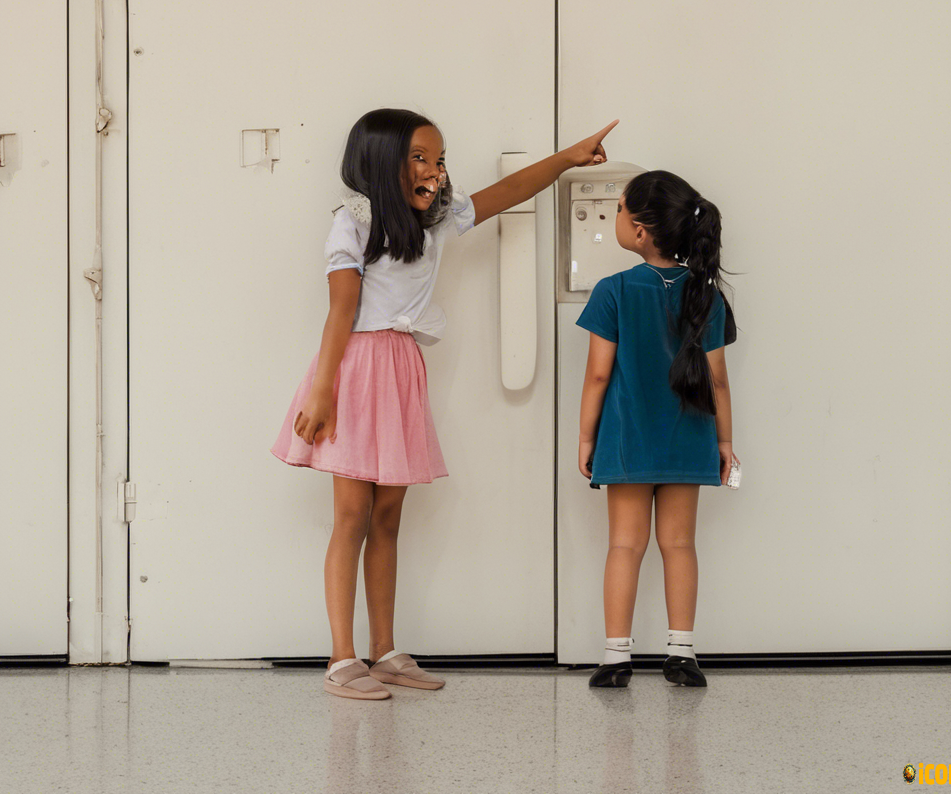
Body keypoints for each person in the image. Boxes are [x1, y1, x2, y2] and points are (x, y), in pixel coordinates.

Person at [271, 107, 618, 700]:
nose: (434, 170)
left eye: (438, 159)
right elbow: (341, 310)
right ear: (381, 160)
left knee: (388, 519)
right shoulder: (353, 222)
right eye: (419, 158)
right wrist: (322, 389)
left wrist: (567, 158)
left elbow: (507, 193)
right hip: (356, 369)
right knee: (351, 518)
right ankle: (341, 658)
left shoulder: (432, 221)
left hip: (402, 367)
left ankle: (384, 651)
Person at [575, 169, 739, 689]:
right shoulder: (705, 294)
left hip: (628, 440)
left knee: (625, 546)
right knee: (680, 545)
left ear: (640, 230)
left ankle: (615, 657)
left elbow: (598, 375)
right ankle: (682, 654)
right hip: (689, 439)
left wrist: (586, 438)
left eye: (619, 209)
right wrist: (725, 442)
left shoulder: (615, 291)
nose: (616, 217)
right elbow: (719, 381)